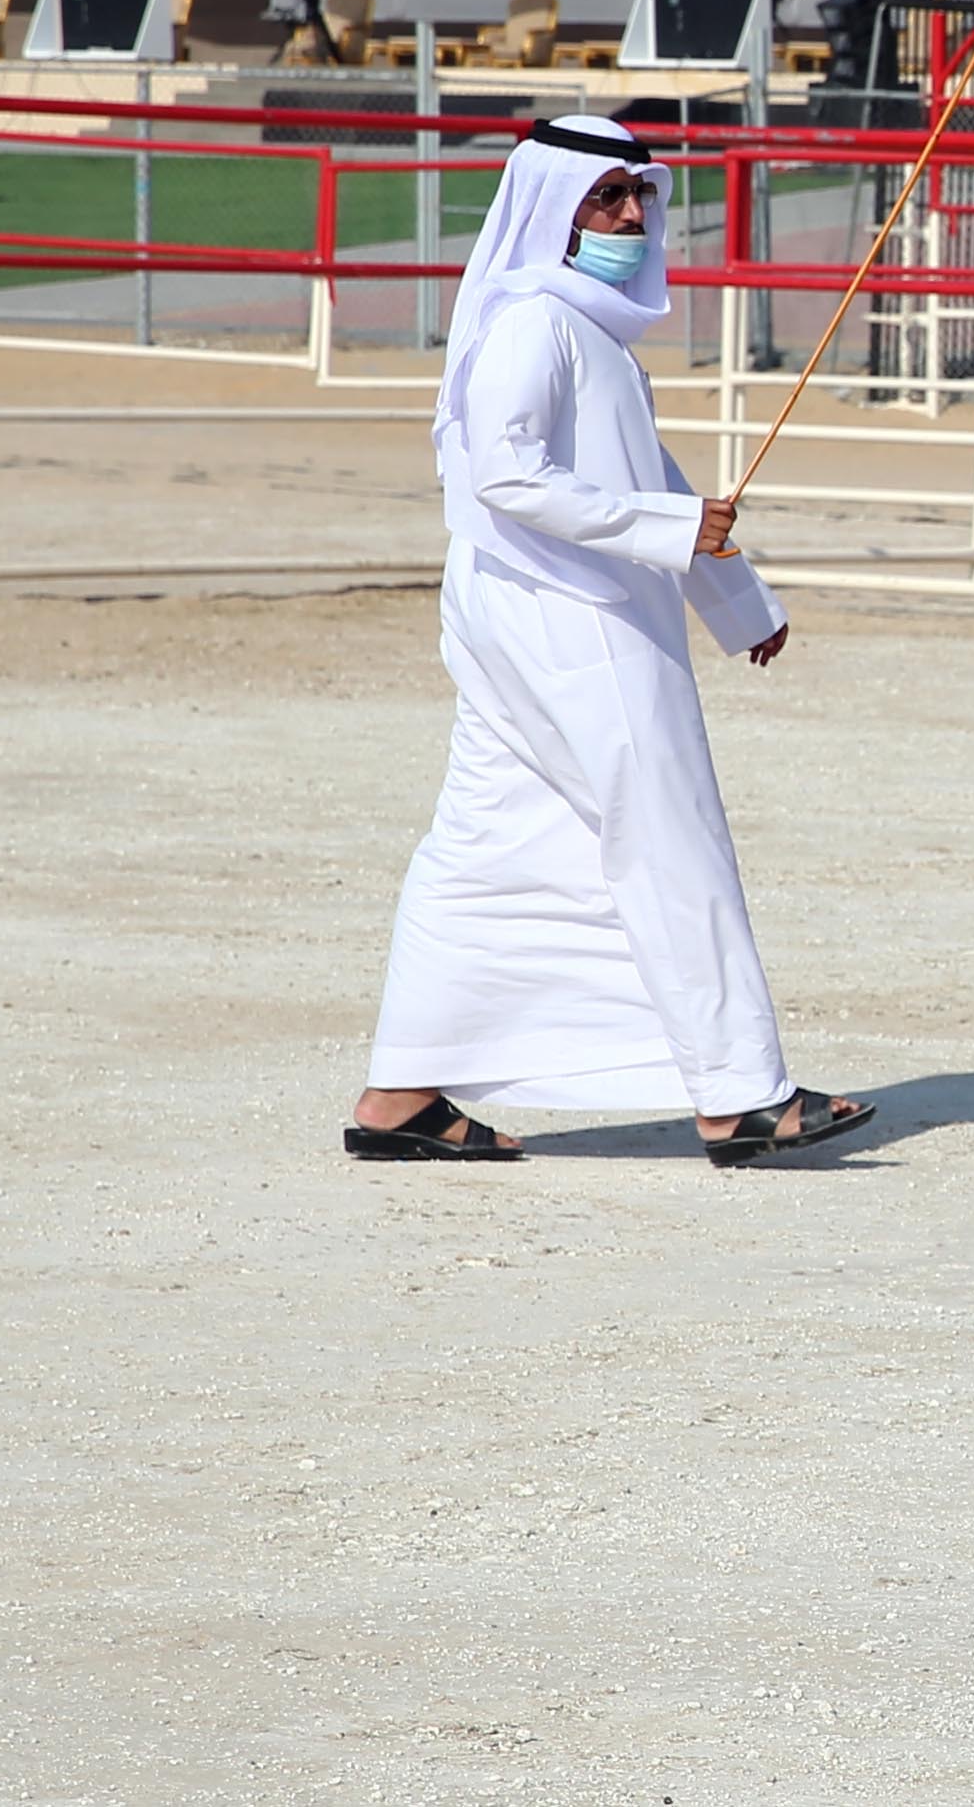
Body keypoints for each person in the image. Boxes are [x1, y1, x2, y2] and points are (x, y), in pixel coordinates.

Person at [345, 115, 870, 1167]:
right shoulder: (534, 322)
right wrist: (676, 535)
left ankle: (400, 1096)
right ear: (553, 209)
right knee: (669, 829)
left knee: (487, 845)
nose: (631, 215)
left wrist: (738, 603)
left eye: (639, 194)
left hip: (549, 614)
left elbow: (649, 480)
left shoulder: (586, 332)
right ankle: (738, 1096)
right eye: (606, 197)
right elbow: (506, 475)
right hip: (565, 620)